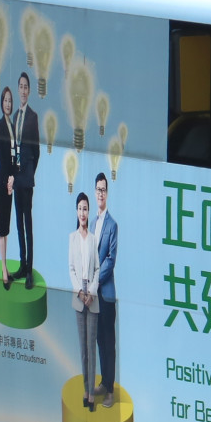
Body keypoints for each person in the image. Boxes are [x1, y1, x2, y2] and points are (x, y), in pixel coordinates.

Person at [0, 76, 41, 289]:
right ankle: (22, 264)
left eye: (25, 87)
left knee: (27, 224)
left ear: (29, 91)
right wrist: (15, 175)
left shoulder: (33, 116)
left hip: (26, 180)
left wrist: (29, 173)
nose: (22, 91)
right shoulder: (13, 117)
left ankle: (29, 270)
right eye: (20, 87)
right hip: (15, 179)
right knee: (18, 225)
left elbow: (36, 151)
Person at [69, 192, 100, 411]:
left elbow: (97, 268)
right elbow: (71, 269)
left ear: (89, 212)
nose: (82, 212)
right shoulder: (72, 238)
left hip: (93, 297)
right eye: (80, 208)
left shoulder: (93, 239)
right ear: (76, 211)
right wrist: (80, 291)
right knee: (82, 348)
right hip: (79, 297)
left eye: (86, 209)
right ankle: (86, 389)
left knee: (91, 347)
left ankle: (91, 395)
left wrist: (92, 292)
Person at [92, 172, 118, 408]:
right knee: (100, 339)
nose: (101, 193)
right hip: (93, 295)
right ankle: (103, 382)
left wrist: (95, 280)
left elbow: (110, 259)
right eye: (98, 189)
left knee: (109, 343)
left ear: (107, 193)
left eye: (104, 189)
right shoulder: (92, 224)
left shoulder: (112, 225)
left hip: (106, 294)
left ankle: (110, 390)